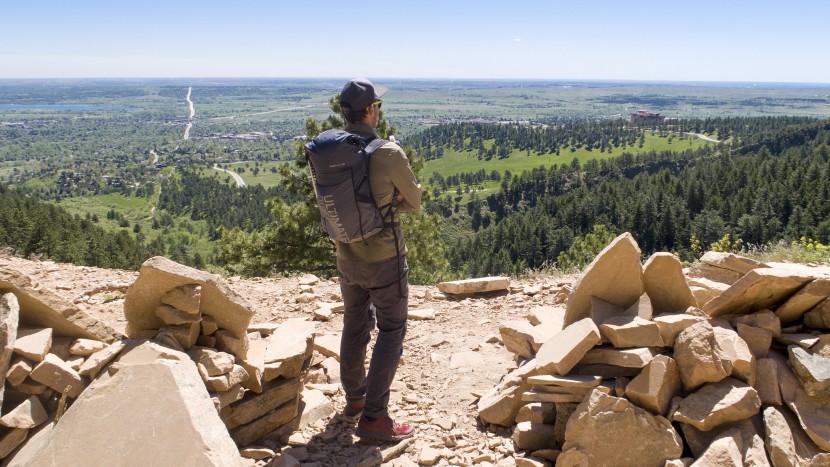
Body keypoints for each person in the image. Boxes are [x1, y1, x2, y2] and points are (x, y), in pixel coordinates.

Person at [333, 78, 421, 441]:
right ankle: (374, 418)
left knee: (355, 322)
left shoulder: (330, 149)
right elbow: (414, 202)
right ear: (371, 111)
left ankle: (355, 400)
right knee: (390, 329)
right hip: (384, 257)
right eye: (378, 106)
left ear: (343, 112)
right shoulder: (387, 152)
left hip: (346, 253)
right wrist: (393, 201)